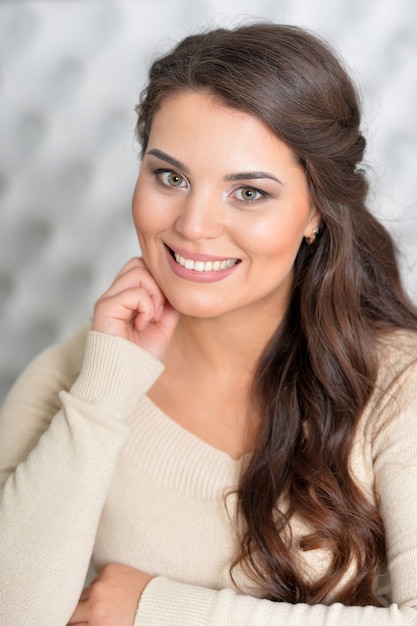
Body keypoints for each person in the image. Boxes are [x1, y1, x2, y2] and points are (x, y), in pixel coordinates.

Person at [0, 22, 417, 626]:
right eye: (170, 177)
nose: (193, 225)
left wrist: (154, 608)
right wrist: (104, 391)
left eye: (248, 192)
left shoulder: (397, 385)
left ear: (315, 213)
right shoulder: (81, 373)